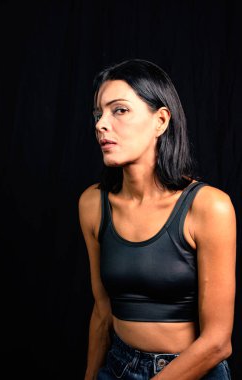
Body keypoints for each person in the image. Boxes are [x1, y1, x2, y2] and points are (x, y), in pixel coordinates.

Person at [79, 59, 236, 380]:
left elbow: (218, 343)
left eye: (119, 110)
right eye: (99, 114)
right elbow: (102, 312)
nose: (101, 124)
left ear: (161, 121)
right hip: (117, 366)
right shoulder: (93, 203)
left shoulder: (209, 207)